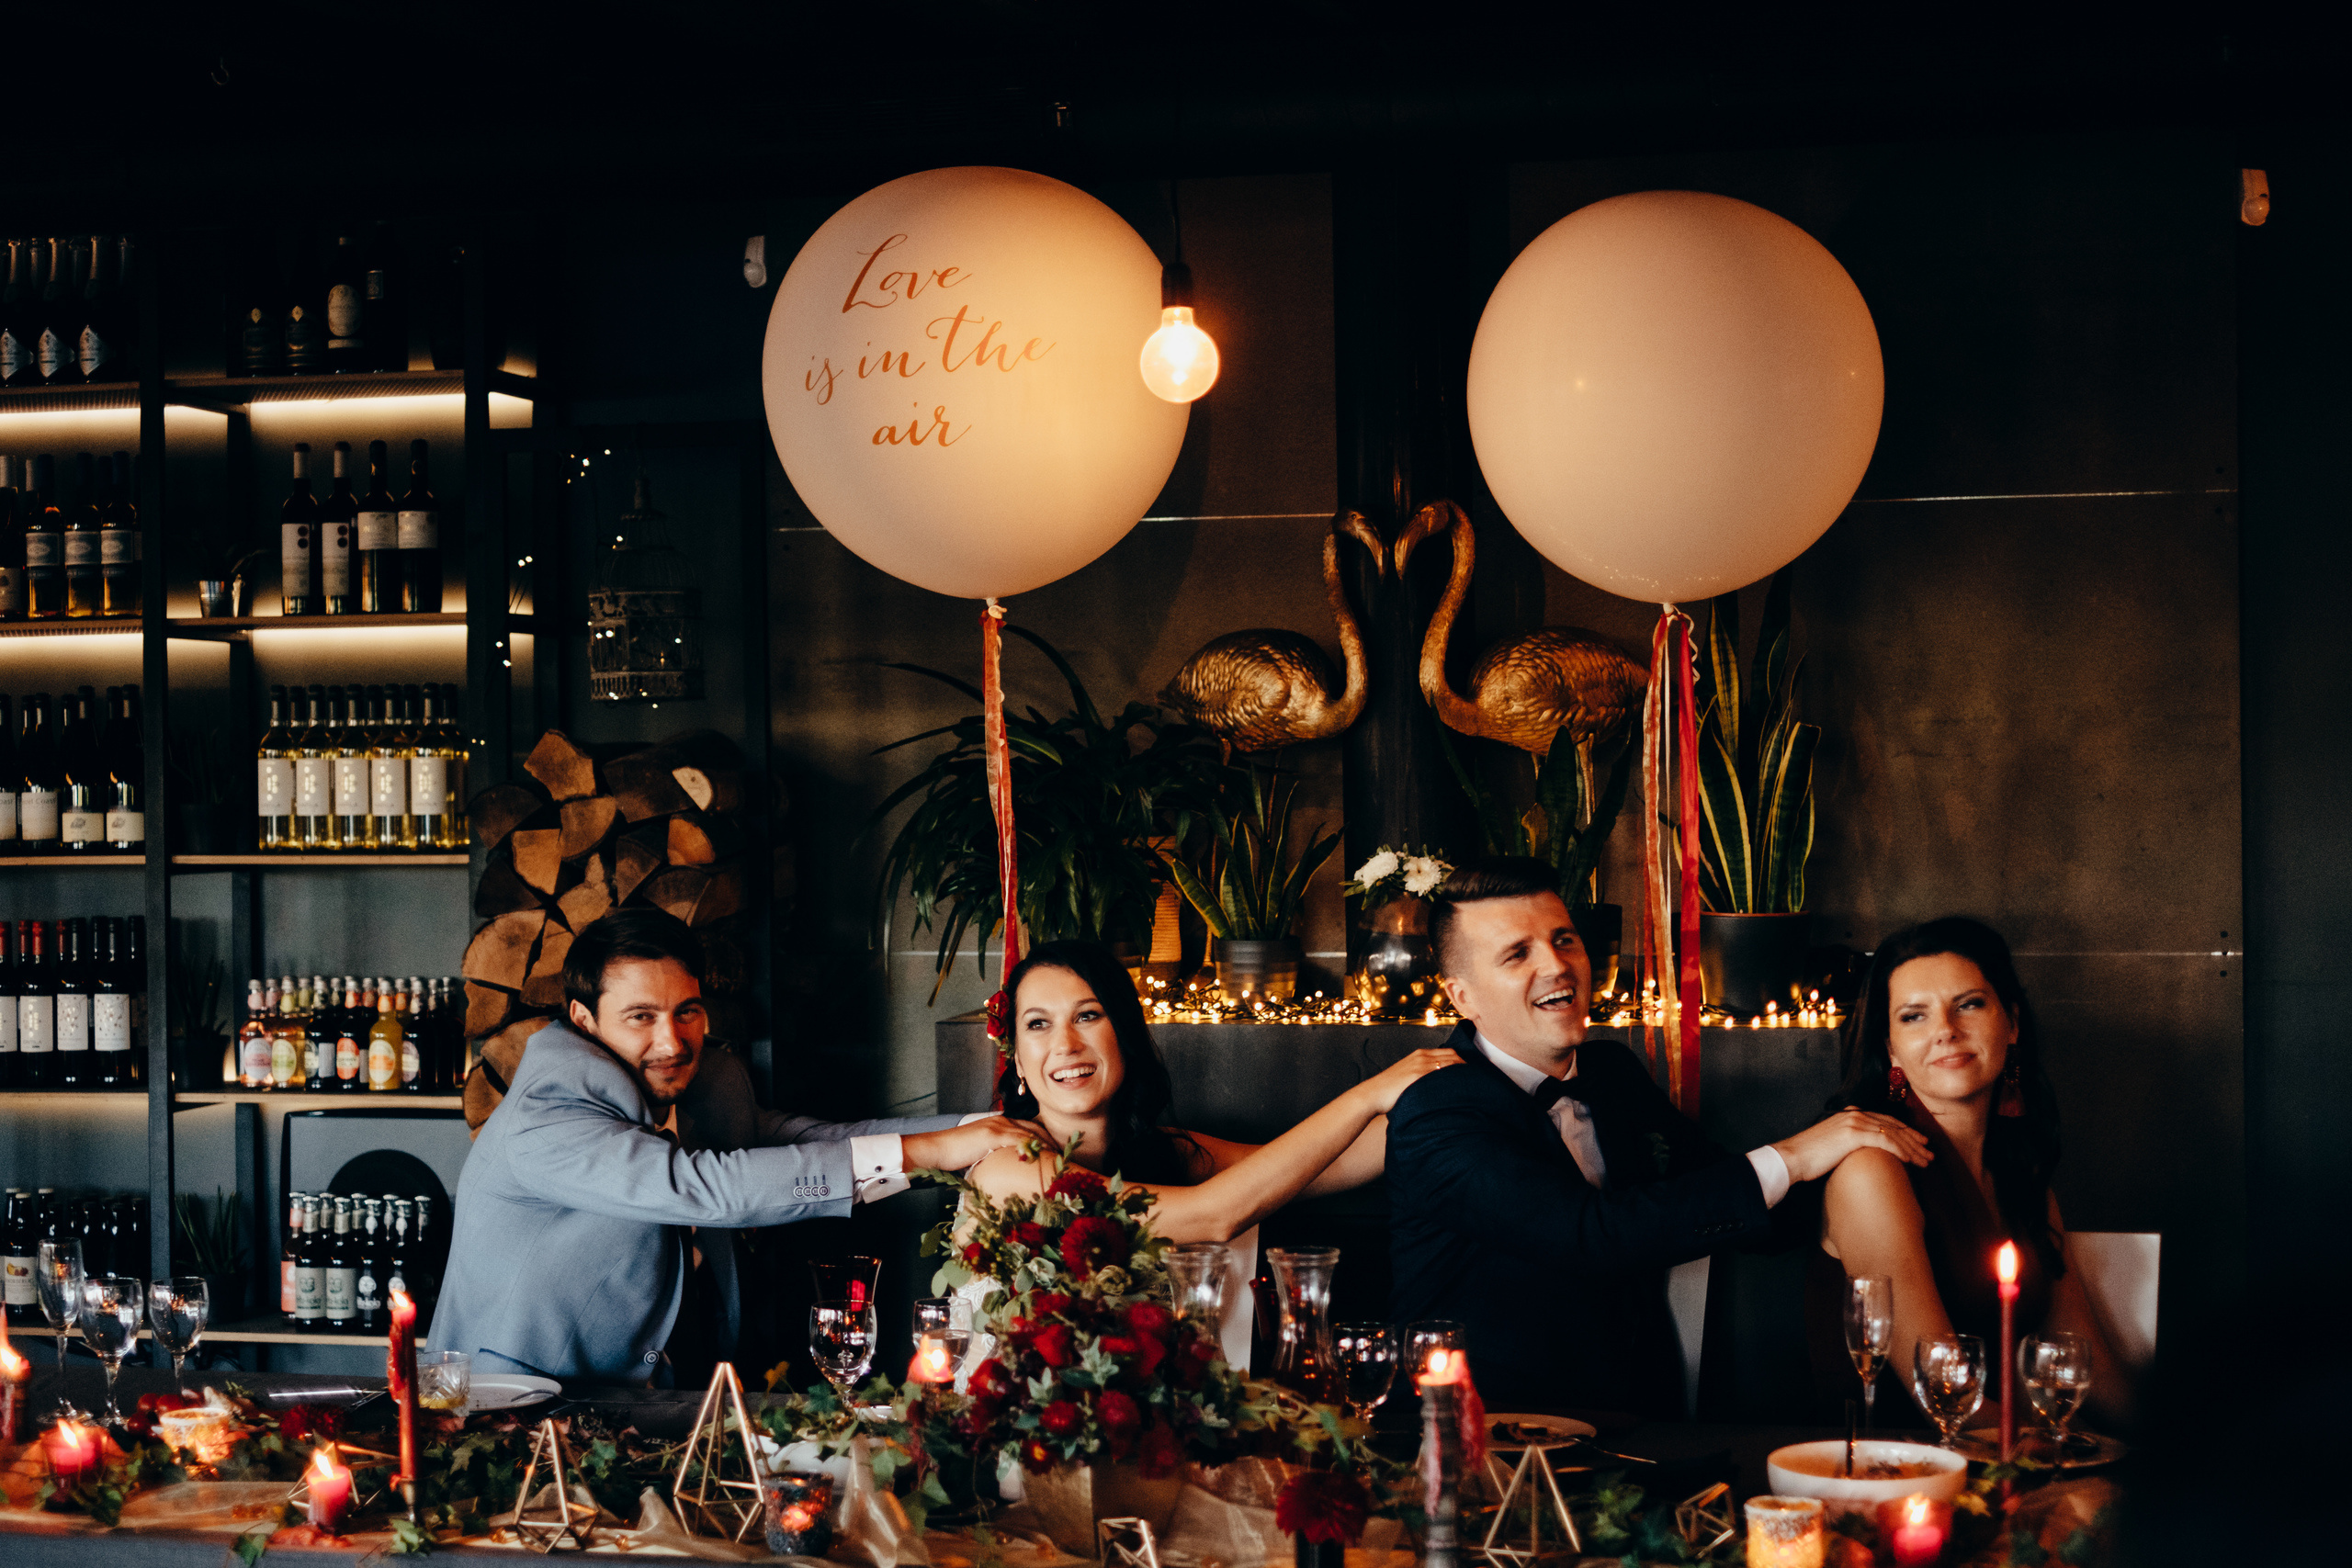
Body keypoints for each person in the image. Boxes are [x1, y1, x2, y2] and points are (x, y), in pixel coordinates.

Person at [1385, 857, 1932, 1416]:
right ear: (1463, 998)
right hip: (1479, 1439)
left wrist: (1868, 1172)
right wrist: (1796, 1154)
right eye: (1517, 953)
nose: (1557, 965)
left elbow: (1716, 1191)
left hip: (1637, 1430)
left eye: (1564, 939)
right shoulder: (1439, 1112)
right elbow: (1591, 1237)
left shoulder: (1611, 1073)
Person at [432, 908, 1032, 1385]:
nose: (672, 1040)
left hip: (646, 1400)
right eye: (641, 1016)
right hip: (506, 1408)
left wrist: (988, 1125)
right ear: (585, 1021)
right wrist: (934, 1152)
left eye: (686, 1011)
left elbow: (814, 1141)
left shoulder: (700, 1090)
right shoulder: (545, 1114)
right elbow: (700, 1186)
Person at [960, 938, 1458, 1364]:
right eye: (1038, 1024)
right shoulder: (1009, 1169)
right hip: (1017, 1438)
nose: (1066, 1044)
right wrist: (1368, 1093)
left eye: (1087, 1015)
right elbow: (1213, 1215)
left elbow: (1335, 1163)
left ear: (1124, 1037)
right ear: (1018, 1063)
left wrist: (1477, 1085)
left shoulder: (1168, 1152)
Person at [1812, 917, 2131, 1426]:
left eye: (1970, 1004)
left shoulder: (2022, 1175)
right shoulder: (1871, 1172)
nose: (1945, 1031)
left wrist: (2180, 1451)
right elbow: (1943, 1393)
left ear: (2013, 1023)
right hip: (1889, 1470)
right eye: (1914, 1016)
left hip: (1996, 1458)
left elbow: (2084, 1362)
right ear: (1890, 1049)